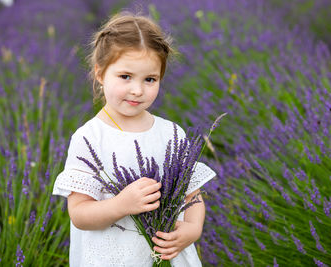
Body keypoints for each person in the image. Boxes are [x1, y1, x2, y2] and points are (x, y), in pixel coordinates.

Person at [52, 11, 216, 267]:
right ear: (100, 73)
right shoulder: (90, 138)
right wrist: (121, 204)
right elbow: (80, 214)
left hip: (167, 255)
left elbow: (192, 196)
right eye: (125, 77)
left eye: (150, 79)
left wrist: (192, 229)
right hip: (113, 258)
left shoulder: (171, 134)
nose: (137, 90)